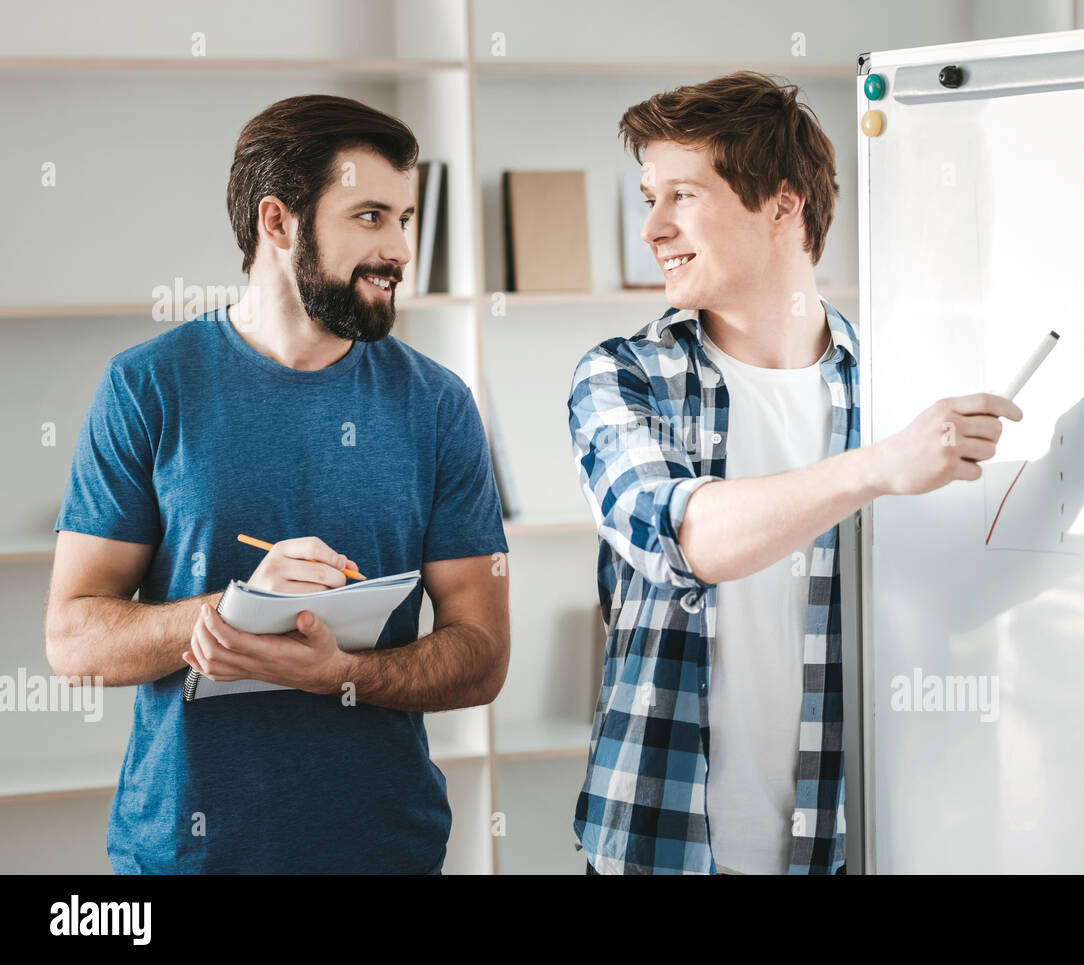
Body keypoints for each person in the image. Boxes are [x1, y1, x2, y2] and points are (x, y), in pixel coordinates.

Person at [568, 71, 1021, 874]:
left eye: (683, 196)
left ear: (782, 204)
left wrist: (1077, 487)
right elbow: (688, 536)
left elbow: (945, 597)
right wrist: (882, 467)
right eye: (649, 198)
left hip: (849, 839)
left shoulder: (890, 385)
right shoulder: (621, 378)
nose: (653, 228)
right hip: (658, 840)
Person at [45, 94, 510, 874]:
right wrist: (226, 614)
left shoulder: (437, 405)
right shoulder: (148, 387)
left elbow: (482, 652)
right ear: (278, 222)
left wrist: (346, 676)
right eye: (369, 216)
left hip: (385, 851)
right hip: (186, 856)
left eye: (406, 217)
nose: (399, 248)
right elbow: (72, 639)